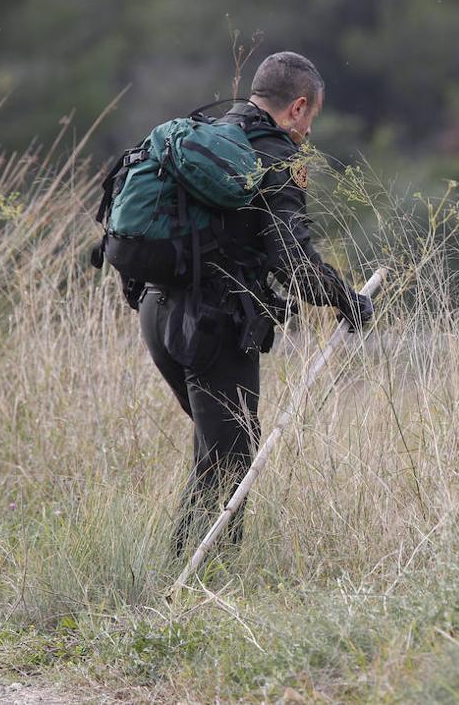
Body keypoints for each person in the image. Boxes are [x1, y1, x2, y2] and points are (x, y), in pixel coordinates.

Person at [137, 51, 373, 552]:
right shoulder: (277, 156)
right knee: (230, 461)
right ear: (298, 107)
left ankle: (187, 576)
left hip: (156, 314)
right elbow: (293, 260)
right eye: (311, 119)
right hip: (210, 326)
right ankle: (195, 584)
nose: (308, 133)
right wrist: (344, 298)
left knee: (216, 450)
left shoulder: (209, 137)